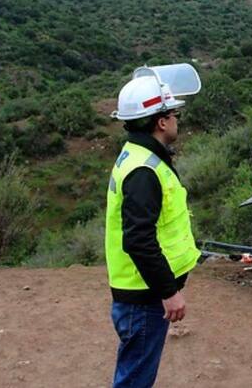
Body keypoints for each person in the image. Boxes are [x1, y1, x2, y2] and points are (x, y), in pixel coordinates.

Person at [105, 70, 202, 387]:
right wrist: (169, 293)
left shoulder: (139, 156)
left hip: (139, 293)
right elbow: (139, 240)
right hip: (143, 297)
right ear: (161, 122)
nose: (177, 119)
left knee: (134, 372)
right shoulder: (145, 169)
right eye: (173, 113)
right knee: (135, 380)